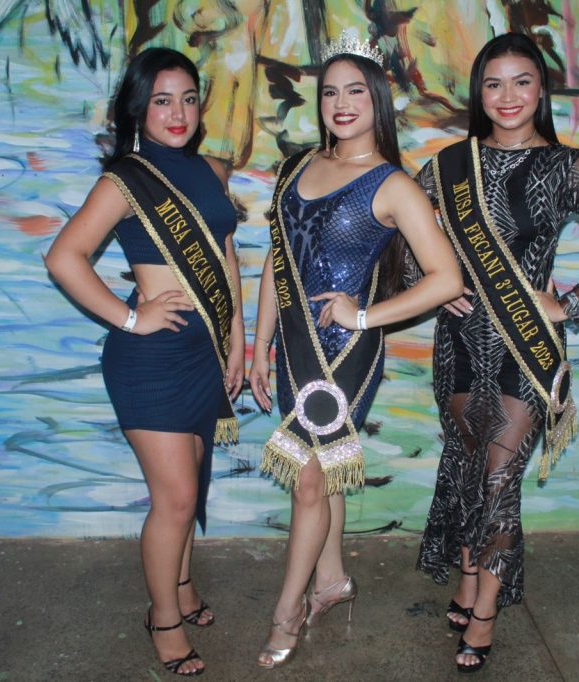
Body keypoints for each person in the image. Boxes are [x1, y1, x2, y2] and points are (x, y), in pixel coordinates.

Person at [413, 33, 579, 673]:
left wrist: (569, 304)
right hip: (459, 346)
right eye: (494, 83)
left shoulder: (566, 165)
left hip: (526, 348)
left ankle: (485, 611)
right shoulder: (449, 165)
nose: (507, 96)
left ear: (541, 90)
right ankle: (467, 582)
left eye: (521, 82)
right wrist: (433, 285)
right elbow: (401, 234)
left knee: (499, 480)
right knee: (466, 470)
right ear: (478, 93)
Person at [247, 30, 463, 669]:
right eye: (330, 93)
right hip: (293, 347)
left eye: (356, 93)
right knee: (322, 474)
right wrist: (259, 345)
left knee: (310, 480)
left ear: (378, 102)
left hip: (345, 353)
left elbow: (445, 279)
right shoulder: (296, 168)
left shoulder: (393, 185)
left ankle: (287, 611)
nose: (341, 104)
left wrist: (364, 315)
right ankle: (332, 580)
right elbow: (278, 263)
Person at [45, 47, 245, 677]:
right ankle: (163, 620)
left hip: (203, 352)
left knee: (190, 482)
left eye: (188, 99)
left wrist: (237, 336)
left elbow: (225, 252)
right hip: (150, 361)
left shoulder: (210, 170)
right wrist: (131, 317)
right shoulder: (124, 181)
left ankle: (181, 589)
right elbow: (63, 257)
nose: (177, 113)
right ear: (138, 108)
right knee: (177, 498)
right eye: (162, 101)